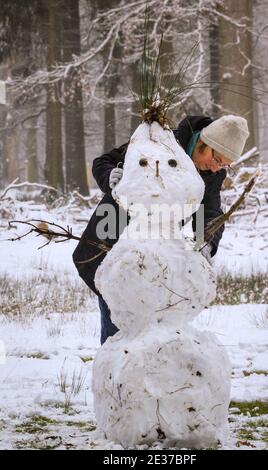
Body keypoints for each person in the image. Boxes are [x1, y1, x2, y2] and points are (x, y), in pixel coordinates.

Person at [72, 114, 249, 345]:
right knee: (119, 321)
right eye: (217, 159)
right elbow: (103, 161)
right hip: (114, 241)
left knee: (155, 330)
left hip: (158, 258)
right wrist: (111, 177)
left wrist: (205, 242)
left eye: (224, 165)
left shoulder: (211, 175)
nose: (217, 168)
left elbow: (210, 213)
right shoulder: (158, 143)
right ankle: (116, 376)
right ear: (204, 143)